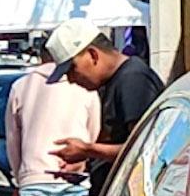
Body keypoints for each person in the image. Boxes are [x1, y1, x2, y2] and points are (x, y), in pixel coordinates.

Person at [3, 37, 101, 196]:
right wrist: (85, 159)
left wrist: (19, 176)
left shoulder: (21, 86)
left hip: (35, 175)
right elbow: (94, 129)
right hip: (75, 175)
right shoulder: (85, 85)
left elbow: (13, 138)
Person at [47, 21, 166, 179]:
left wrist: (89, 150)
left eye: (72, 69)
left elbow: (145, 148)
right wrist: (84, 163)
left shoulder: (133, 80)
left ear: (93, 55)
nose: (70, 79)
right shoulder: (112, 83)